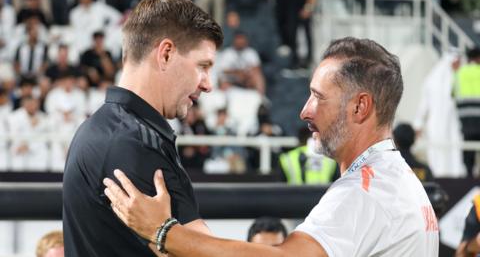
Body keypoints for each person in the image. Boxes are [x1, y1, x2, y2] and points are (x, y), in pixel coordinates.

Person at [103, 37, 439, 256]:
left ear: (359, 107)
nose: (304, 110)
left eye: (319, 98)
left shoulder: (365, 192)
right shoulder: (398, 181)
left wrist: (164, 232)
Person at [62, 0, 223, 257]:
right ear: (166, 54)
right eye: (202, 66)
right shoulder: (132, 143)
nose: (208, 83)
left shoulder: (108, 129)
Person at [455, 47, 480, 178]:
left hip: (466, 121)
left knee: (468, 151)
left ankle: (469, 177)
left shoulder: (459, 73)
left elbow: (453, 93)